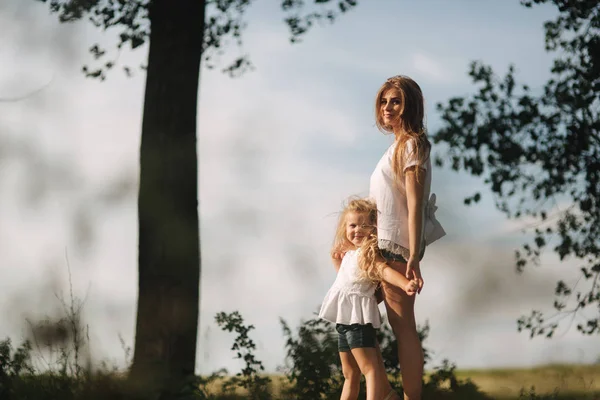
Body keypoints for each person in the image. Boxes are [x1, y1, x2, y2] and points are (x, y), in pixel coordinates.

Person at [369, 75, 446, 400]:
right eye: (385, 101)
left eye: (396, 101)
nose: (388, 107)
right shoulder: (397, 146)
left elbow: (414, 204)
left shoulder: (412, 144)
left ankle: (408, 397)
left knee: (403, 330)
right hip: (378, 249)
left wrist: (413, 255)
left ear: (409, 106)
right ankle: (383, 391)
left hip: (396, 250)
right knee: (354, 322)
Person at [319, 198, 420, 400]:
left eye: (364, 225)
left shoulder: (368, 254)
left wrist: (404, 283)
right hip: (343, 321)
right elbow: (344, 282)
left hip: (358, 320)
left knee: (370, 370)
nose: (357, 230)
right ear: (344, 228)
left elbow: (385, 271)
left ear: (373, 229)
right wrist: (335, 258)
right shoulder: (349, 255)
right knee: (350, 374)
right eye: (353, 225)